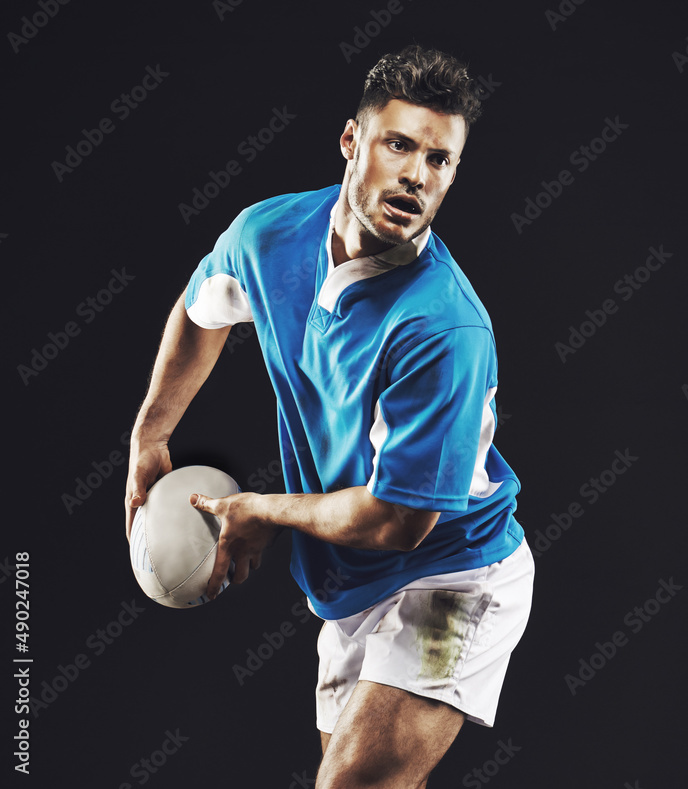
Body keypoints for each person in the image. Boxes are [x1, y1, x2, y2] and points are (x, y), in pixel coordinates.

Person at [124, 45, 533, 788]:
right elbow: (201, 310)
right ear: (353, 142)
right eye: (399, 144)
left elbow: (399, 521)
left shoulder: (442, 328)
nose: (416, 173)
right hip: (349, 589)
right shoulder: (268, 235)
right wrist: (150, 432)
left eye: (439, 160)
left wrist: (261, 509)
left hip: (456, 580)